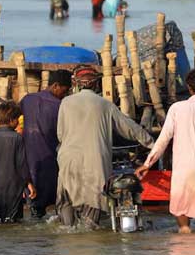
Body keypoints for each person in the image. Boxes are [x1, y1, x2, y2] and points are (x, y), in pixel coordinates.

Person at [56, 66, 154, 229]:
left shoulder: (65, 103)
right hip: (95, 161)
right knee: (92, 204)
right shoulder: (105, 104)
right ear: (96, 85)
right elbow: (130, 128)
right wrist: (152, 143)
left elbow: (60, 134)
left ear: (77, 84)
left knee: (66, 200)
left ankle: (67, 231)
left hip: (69, 160)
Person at [135, 69, 195, 233]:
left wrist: (147, 164)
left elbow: (163, 139)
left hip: (184, 169)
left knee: (182, 216)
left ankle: (184, 242)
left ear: (188, 87)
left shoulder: (177, 108)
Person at [20, 70, 73, 218]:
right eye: (65, 90)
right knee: (56, 200)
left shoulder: (27, 99)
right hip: (50, 158)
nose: (66, 93)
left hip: (29, 159)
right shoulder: (60, 106)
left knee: (34, 201)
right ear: (56, 86)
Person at [0, 102, 37, 223]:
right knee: (13, 221)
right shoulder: (17, 138)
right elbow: (22, 165)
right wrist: (28, 183)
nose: (18, 122)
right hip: (12, 188)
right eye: (17, 119)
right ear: (12, 120)